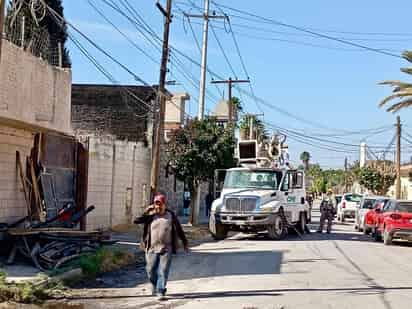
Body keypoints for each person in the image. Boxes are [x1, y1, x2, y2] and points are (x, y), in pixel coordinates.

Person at [134, 193, 189, 300]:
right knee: (150, 270)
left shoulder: (170, 215)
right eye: (156, 204)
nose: (158, 207)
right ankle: (154, 284)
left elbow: (179, 229)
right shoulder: (150, 216)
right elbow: (136, 221)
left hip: (166, 248)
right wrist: (146, 211)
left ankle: (160, 290)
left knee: (163, 270)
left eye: (160, 204)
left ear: (164, 205)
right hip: (151, 248)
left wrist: (185, 242)